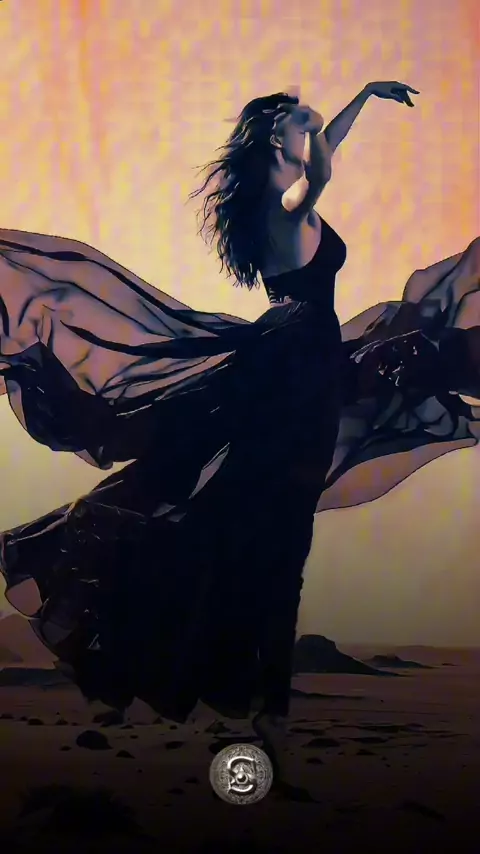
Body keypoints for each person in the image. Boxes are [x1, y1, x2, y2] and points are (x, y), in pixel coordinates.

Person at [1, 82, 480, 781]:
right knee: (274, 540)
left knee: (261, 532)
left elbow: (323, 156)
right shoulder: (282, 212)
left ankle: (248, 699)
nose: (310, 126)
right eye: (296, 120)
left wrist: (360, 100)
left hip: (304, 370)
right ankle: (262, 711)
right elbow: (322, 168)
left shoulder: (275, 207)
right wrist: (347, 106)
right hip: (294, 376)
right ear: (274, 140)